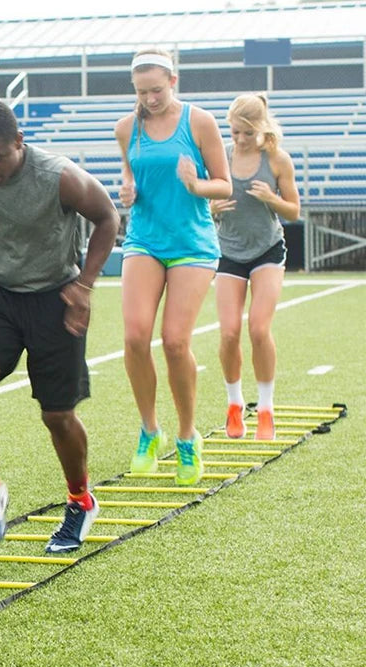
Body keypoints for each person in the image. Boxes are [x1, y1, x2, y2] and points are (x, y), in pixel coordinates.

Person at [0, 99, 119, 553]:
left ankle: (80, 501)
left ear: (19, 143)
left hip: (56, 295)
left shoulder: (58, 176)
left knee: (57, 416)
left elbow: (108, 218)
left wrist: (84, 286)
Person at [114, 48, 232, 485]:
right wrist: (127, 191)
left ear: (173, 82)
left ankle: (187, 436)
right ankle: (150, 430)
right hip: (144, 239)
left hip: (191, 244)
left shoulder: (199, 122)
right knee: (134, 336)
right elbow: (130, 180)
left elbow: (224, 183)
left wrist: (196, 184)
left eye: (157, 90)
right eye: (142, 92)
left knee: (176, 342)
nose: (150, 99)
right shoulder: (126, 129)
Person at [210, 94, 301, 440]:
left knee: (259, 330)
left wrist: (272, 199)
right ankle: (235, 405)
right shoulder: (222, 157)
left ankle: (265, 409)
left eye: (247, 134)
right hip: (229, 252)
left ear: (261, 130)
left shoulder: (277, 160)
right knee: (230, 332)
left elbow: (293, 211)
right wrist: (213, 208)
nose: (241, 140)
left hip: (267, 251)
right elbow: (205, 205)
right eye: (235, 133)